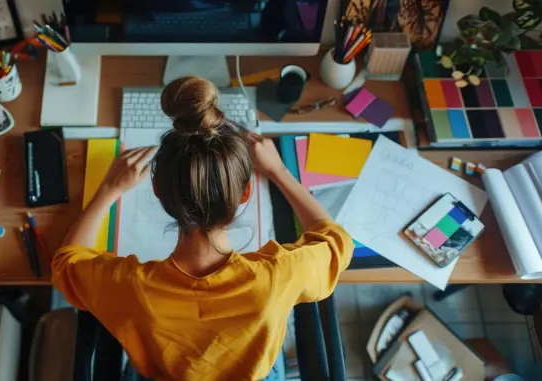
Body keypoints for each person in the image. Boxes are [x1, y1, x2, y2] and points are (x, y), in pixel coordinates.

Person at [52, 76, 354, 380]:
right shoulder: (279, 275)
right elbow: (337, 242)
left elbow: (66, 264)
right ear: (245, 193)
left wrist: (108, 190)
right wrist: (278, 171)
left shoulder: (132, 288)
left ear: (157, 190)